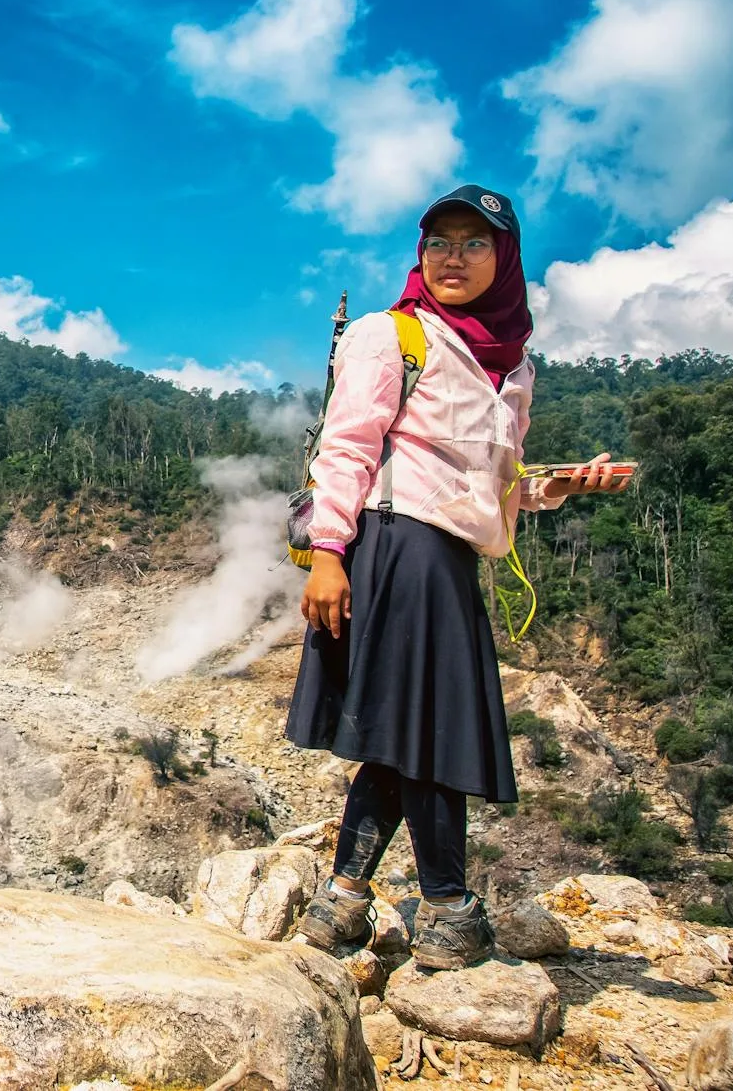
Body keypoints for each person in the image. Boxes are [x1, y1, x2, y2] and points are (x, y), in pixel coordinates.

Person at [285, 184, 628, 971]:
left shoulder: (512, 369)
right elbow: (347, 446)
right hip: (394, 546)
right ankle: (447, 909)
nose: (452, 257)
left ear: (505, 260)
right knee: (431, 736)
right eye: (439, 240)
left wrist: (556, 489)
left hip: (450, 560)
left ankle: (342, 902)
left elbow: (487, 485)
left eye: (475, 243)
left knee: (402, 736)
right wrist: (331, 553)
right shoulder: (391, 334)